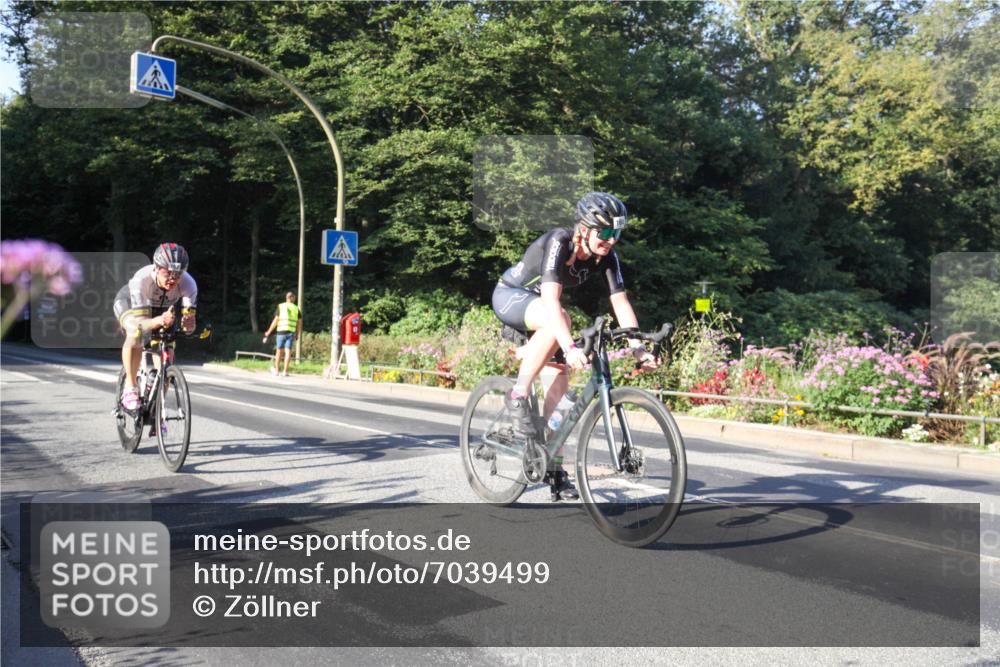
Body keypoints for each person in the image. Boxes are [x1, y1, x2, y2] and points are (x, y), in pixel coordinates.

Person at [492, 192, 658, 501]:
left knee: (560, 391)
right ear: (584, 228)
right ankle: (518, 394)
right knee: (563, 319)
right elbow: (551, 302)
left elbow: (620, 303)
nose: (610, 240)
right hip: (512, 296)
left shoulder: (606, 256)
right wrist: (569, 346)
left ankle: (553, 468)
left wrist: (638, 348)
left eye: (616, 233)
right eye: (605, 232)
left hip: (542, 310)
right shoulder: (560, 241)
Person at [113, 243, 197, 410]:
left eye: (178, 274)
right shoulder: (142, 279)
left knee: (167, 355)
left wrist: (189, 325)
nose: (173, 279)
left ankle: (157, 410)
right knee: (135, 333)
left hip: (162, 310)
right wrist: (159, 321)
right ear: (157, 268)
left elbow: (189, 327)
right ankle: (130, 387)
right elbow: (142, 322)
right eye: (167, 273)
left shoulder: (189, 284)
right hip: (131, 304)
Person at [262, 292, 302, 377]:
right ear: (291, 297)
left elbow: (275, 320)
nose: (295, 299)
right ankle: (285, 371)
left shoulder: (281, 306)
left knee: (279, 352)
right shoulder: (296, 308)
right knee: (288, 352)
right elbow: (299, 323)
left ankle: (276, 371)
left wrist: (269, 331)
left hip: (281, 332)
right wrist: (298, 334)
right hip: (291, 333)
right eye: (294, 297)